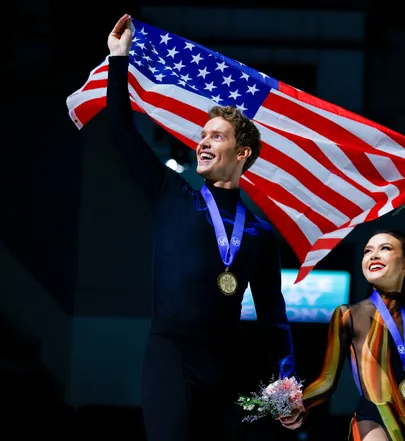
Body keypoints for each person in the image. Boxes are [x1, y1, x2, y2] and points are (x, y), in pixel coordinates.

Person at [104, 14, 300, 441]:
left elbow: (273, 316)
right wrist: (119, 60)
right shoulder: (171, 194)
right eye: (202, 135)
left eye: (216, 136)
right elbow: (120, 130)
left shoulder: (260, 234)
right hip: (170, 356)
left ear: (242, 151)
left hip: (229, 367)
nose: (202, 142)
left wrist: (287, 382)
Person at [280, 163, 405, 440]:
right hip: (372, 418)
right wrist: (296, 402)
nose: (373, 255)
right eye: (368, 251)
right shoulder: (348, 315)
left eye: (385, 249)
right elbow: (328, 380)